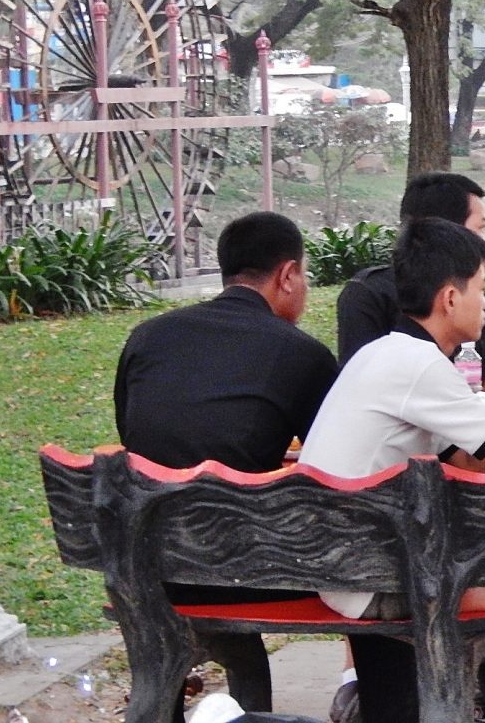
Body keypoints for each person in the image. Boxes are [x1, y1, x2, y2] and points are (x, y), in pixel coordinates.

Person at [300, 217, 485, 723]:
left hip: (346, 562)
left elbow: (476, 455)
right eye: (482, 289)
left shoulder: (390, 354)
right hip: (368, 577)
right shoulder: (417, 366)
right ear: (450, 297)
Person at [113, 211, 339, 723]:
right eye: (303, 276)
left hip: (143, 560)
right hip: (245, 567)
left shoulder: (148, 336)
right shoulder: (300, 352)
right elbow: (335, 464)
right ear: (287, 275)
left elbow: (136, 439)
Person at [335, 172, 485, 375]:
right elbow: (361, 379)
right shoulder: (368, 294)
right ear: (446, 231)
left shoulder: (467, 293)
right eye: (481, 228)